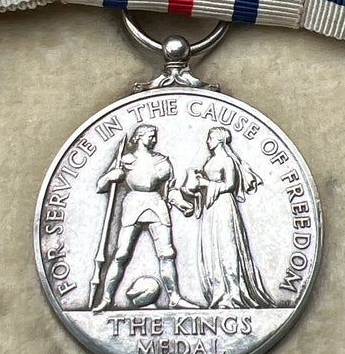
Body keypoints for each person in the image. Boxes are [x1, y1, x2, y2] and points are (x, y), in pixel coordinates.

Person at [92, 124, 198, 311]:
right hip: (134, 204)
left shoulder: (162, 161)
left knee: (167, 254)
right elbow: (100, 186)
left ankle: (174, 297)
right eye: (151, 136)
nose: (154, 140)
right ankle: (107, 298)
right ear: (139, 136)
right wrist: (111, 177)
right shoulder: (126, 160)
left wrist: (183, 205)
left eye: (155, 136)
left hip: (157, 204)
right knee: (121, 254)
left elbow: (171, 189)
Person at [182, 127, 275, 309]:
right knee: (213, 248)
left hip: (223, 205)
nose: (207, 141)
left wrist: (206, 183)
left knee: (227, 247)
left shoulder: (227, 160)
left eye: (210, 137)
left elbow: (230, 184)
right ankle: (219, 293)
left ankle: (233, 294)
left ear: (218, 139)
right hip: (210, 207)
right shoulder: (210, 161)